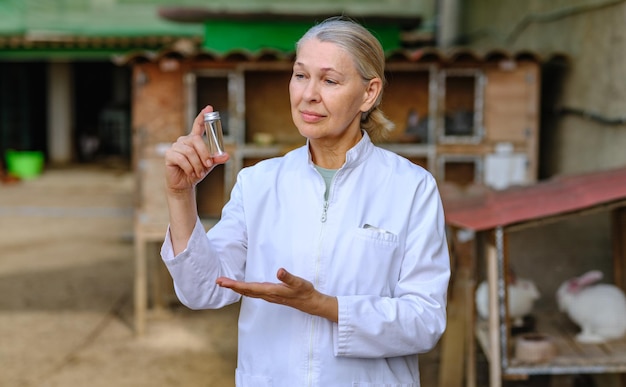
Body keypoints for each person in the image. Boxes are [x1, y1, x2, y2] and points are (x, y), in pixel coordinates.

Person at [161, 16, 450, 387]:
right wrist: (180, 195)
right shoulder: (259, 183)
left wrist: (326, 306)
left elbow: (424, 322)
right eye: (300, 75)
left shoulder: (410, 188)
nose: (308, 94)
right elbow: (203, 289)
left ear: (368, 93)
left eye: (329, 80)